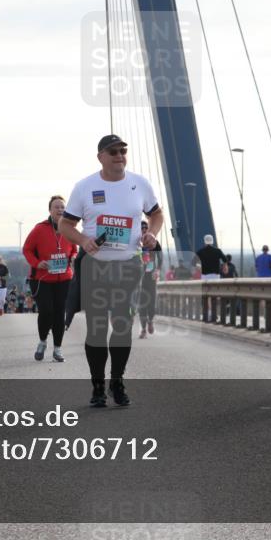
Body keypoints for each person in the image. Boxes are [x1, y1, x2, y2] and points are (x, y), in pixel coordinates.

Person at [59, 134, 164, 408]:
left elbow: (157, 214)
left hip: (128, 265)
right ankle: (97, 386)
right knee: (96, 329)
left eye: (123, 151)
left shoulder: (139, 184)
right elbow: (65, 225)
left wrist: (151, 234)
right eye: (113, 151)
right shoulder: (84, 187)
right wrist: (83, 240)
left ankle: (117, 380)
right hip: (95, 267)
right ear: (101, 157)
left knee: (122, 326)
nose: (119, 156)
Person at [23, 195, 78, 362]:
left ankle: (58, 349)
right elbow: (27, 250)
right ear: (50, 210)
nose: (60, 209)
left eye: (63, 207)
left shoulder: (69, 228)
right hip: (42, 279)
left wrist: (73, 257)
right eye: (57, 207)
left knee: (59, 314)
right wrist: (37, 263)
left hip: (64, 278)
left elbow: (74, 248)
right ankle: (42, 341)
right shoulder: (39, 229)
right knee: (47, 311)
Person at [136, 220, 163, 339]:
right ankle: (143, 330)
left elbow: (160, 256)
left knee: (151, 303)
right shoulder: (135, 242)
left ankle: (150, 320)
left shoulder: (154, 242)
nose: (144, 230)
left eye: (145, 228)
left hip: (151, 275)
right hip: (139, 276)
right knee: (142, 304)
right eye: (142, 228)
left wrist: (158, 270)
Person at [194, 235, 224, 321]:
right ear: (212, 241)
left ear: (204, 242)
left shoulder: (200, 252)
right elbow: (225, 260)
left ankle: (209, 313)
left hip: (205, 276)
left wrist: (199, 267)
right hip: (216, 276)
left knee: (207, 295)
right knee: (214, 295)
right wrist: (224, 266)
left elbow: (193, 262)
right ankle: (214, 313)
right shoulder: (217, 251)